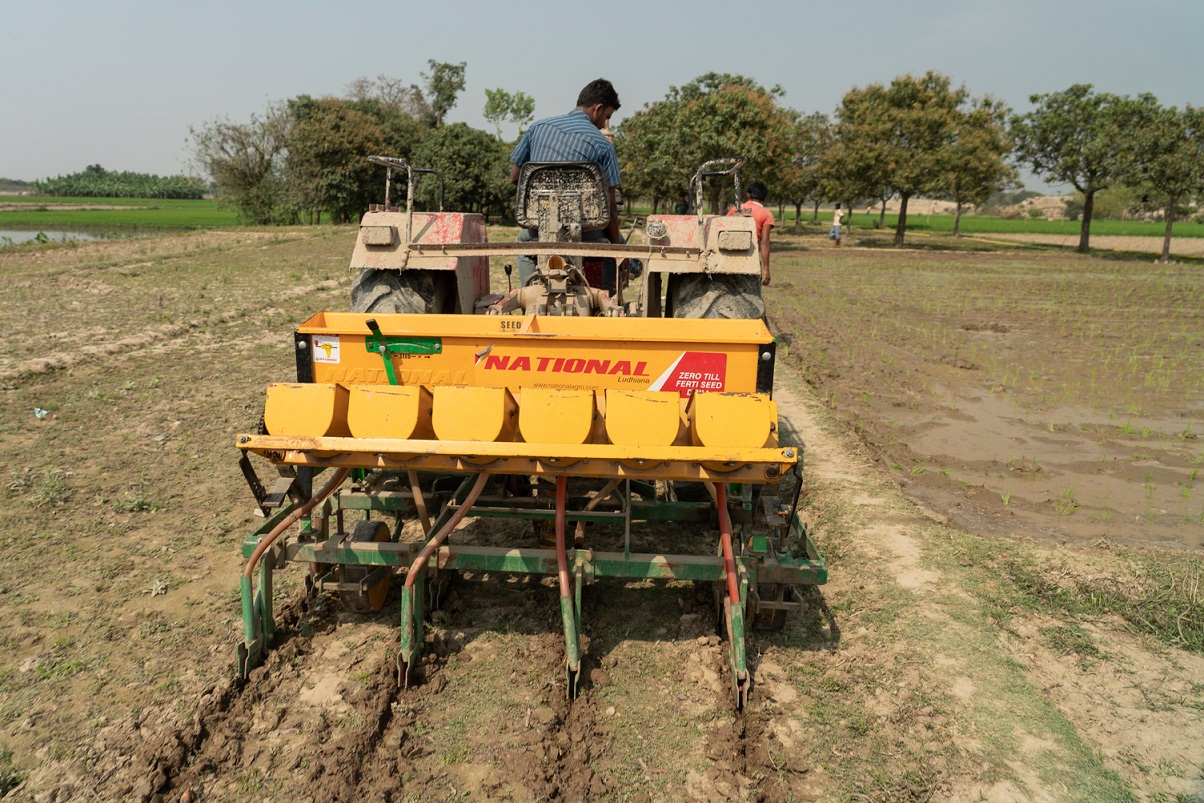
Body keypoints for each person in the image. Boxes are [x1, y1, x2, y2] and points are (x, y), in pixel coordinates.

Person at [510, 78, 623, 289]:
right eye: (606, 117)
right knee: (610, 250)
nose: (603, 124)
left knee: (524, 247)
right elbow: (609, 206)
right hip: (588, 231)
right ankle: (606, 298)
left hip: (539, 226)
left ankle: (531, 291)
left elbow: (515, 177)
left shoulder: (537, 128)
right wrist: (619, 249)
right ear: (598, 109)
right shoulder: (603, 145)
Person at [727, 180, 774, 286]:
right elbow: (764, 242)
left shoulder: (735, 210)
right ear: (764, 198)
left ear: (748, 195)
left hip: (729, 256)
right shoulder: (766, 214)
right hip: (750, 257)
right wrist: (766, 269)